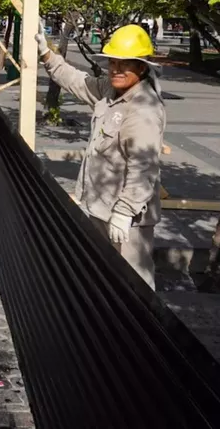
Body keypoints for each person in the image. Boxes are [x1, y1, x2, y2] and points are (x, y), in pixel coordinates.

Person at [36, 25, 166, 289]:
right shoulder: (111, 90)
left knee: (134, 286)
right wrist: (48, 55)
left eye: (124, 65)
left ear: (141, 68)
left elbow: (144, 167)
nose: (116, 70)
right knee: (103, 279)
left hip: (127, 220)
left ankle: (139, 331)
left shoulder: (143, 110)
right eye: (112, 63)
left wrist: (124, 211)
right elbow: (78, 81)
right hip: (99, 207)